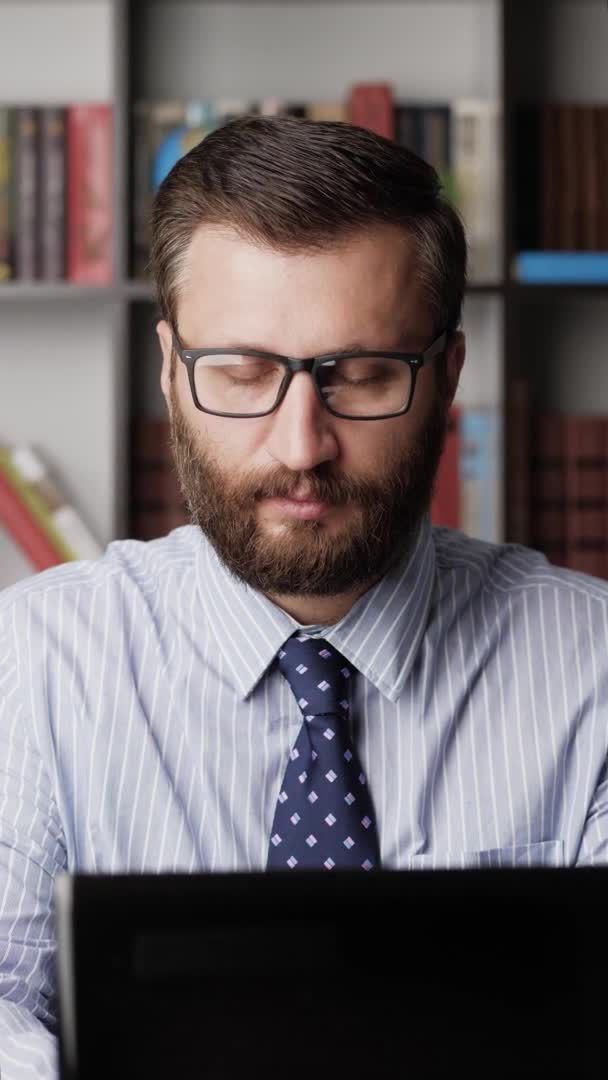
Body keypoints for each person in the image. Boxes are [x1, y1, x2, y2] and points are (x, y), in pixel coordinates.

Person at [1, 114, 608, 1078]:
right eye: (241, 373)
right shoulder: (32, 664)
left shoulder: (594, 671)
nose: (300, 446)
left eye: (361, 376)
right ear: (168, 370)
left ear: (447, 375)